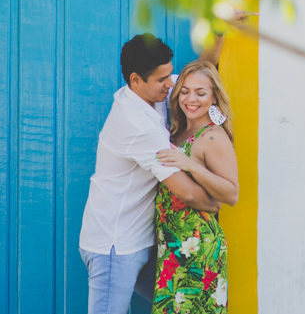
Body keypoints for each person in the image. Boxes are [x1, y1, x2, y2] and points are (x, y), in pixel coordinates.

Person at [79, 32, 224, 314]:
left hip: (141, 239)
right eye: (163, 80)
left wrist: (219, 29)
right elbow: (188, 191)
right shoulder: (138, 125)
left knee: (182, 304)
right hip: (115, 245)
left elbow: (202, 68)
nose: (171, 85)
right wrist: (218, 201)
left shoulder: (147, 93)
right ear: (136, 79)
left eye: (170, 75)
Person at [151, 60, 240, 312]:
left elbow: (231, 194)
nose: (191, 99)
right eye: (185, 91)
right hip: (172, 246)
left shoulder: (213, 136)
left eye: (201, 93)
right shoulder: (177, 131)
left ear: (213, 98)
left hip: (198, 248)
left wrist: (191, 166)